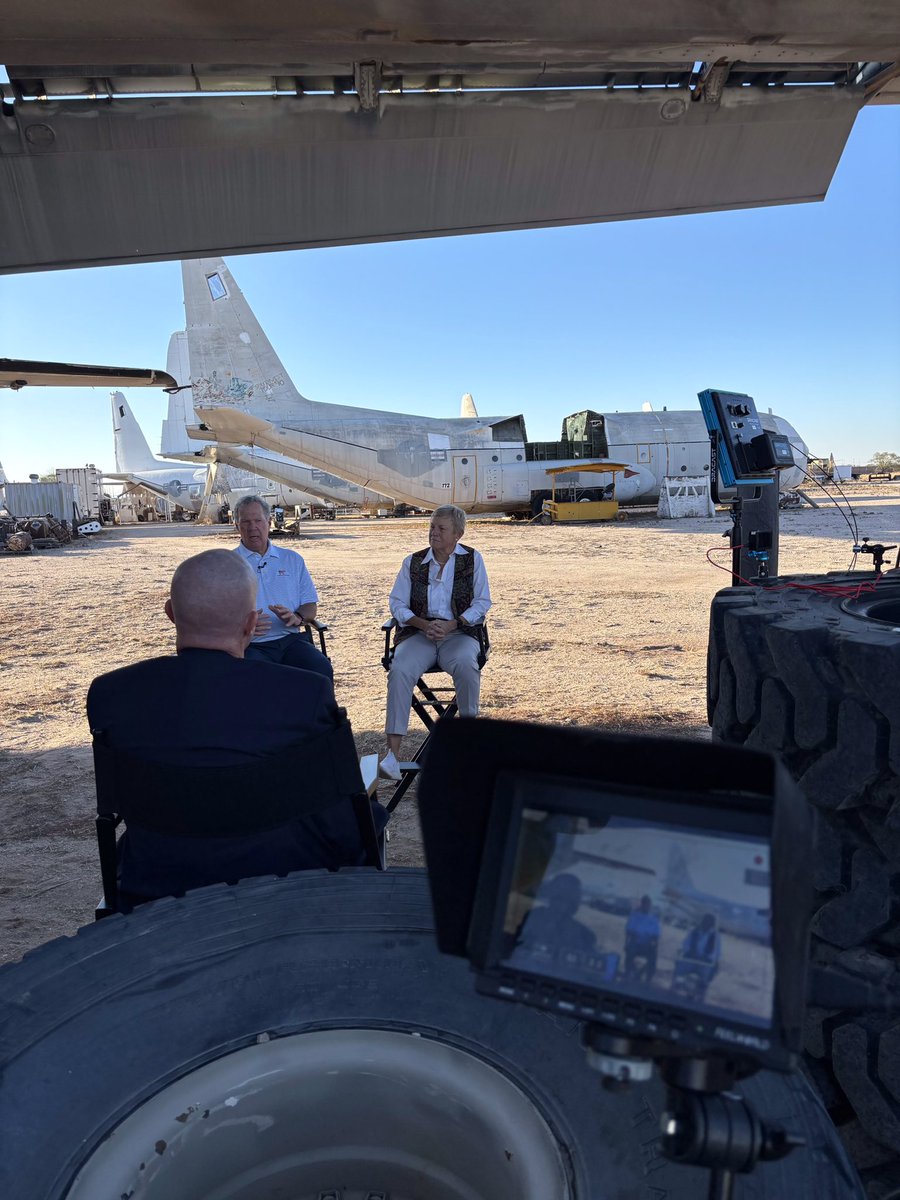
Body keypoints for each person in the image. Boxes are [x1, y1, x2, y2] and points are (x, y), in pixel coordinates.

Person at [86, 548, 387, 908]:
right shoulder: (304, 693)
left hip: (157, 886)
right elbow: (341, 802)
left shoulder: (112, 695)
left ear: (170, 614)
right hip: (290, 882)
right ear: (250, 624)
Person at [381, 504, 491, 779]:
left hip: (458, 633)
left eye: (441, 528)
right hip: (419, 634)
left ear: (458, 534)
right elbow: (397, 603)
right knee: (400, 669)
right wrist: (423, 624)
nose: (434, 533)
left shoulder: (473, 560)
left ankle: (468, 745)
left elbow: (482, 602)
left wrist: (455, 623)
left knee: (467, 665)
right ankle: (392, 756)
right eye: (432, 527)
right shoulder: (413, 561)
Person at [233, 494, 333, 681]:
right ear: (236, 525)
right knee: (255, 681)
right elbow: (216, 617)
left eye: (258, 520)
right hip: (249, 645)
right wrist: (242, 625)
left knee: (321, 670)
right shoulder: (227, 563)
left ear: (269, 522)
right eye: (245, 522)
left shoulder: (292, 559)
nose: (252, 527)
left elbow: (310, 605)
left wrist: (297, 617)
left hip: (291, 641)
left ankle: (321, 712)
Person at [623, 895, 661, 985]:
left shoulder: (653, 919)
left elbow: (656, 936)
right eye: (645, 904)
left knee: (653, 957)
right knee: (630, 952)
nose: (646, 906)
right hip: (635, 943)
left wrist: (654, 945)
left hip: (647, 944)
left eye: (648, 904)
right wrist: (626, 943)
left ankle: (647, 979)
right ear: (642, 904)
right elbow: (629, 931)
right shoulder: (634, 916)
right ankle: (628, 974)